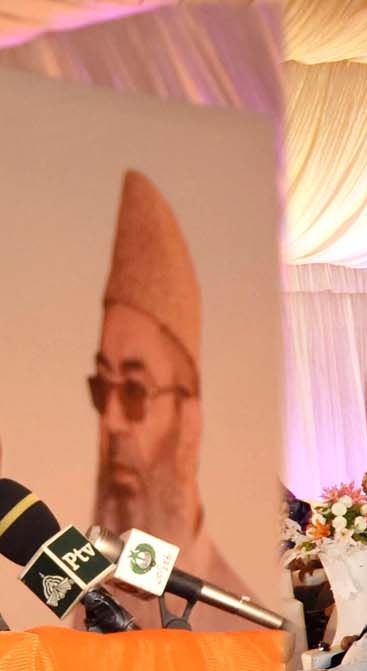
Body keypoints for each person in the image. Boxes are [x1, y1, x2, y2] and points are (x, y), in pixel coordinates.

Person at [82, 171, 253, 628]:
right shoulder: (85, 602)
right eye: (103, 388)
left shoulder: (237, 621)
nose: (113, 421)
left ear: (189, 417)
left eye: (136, 391)